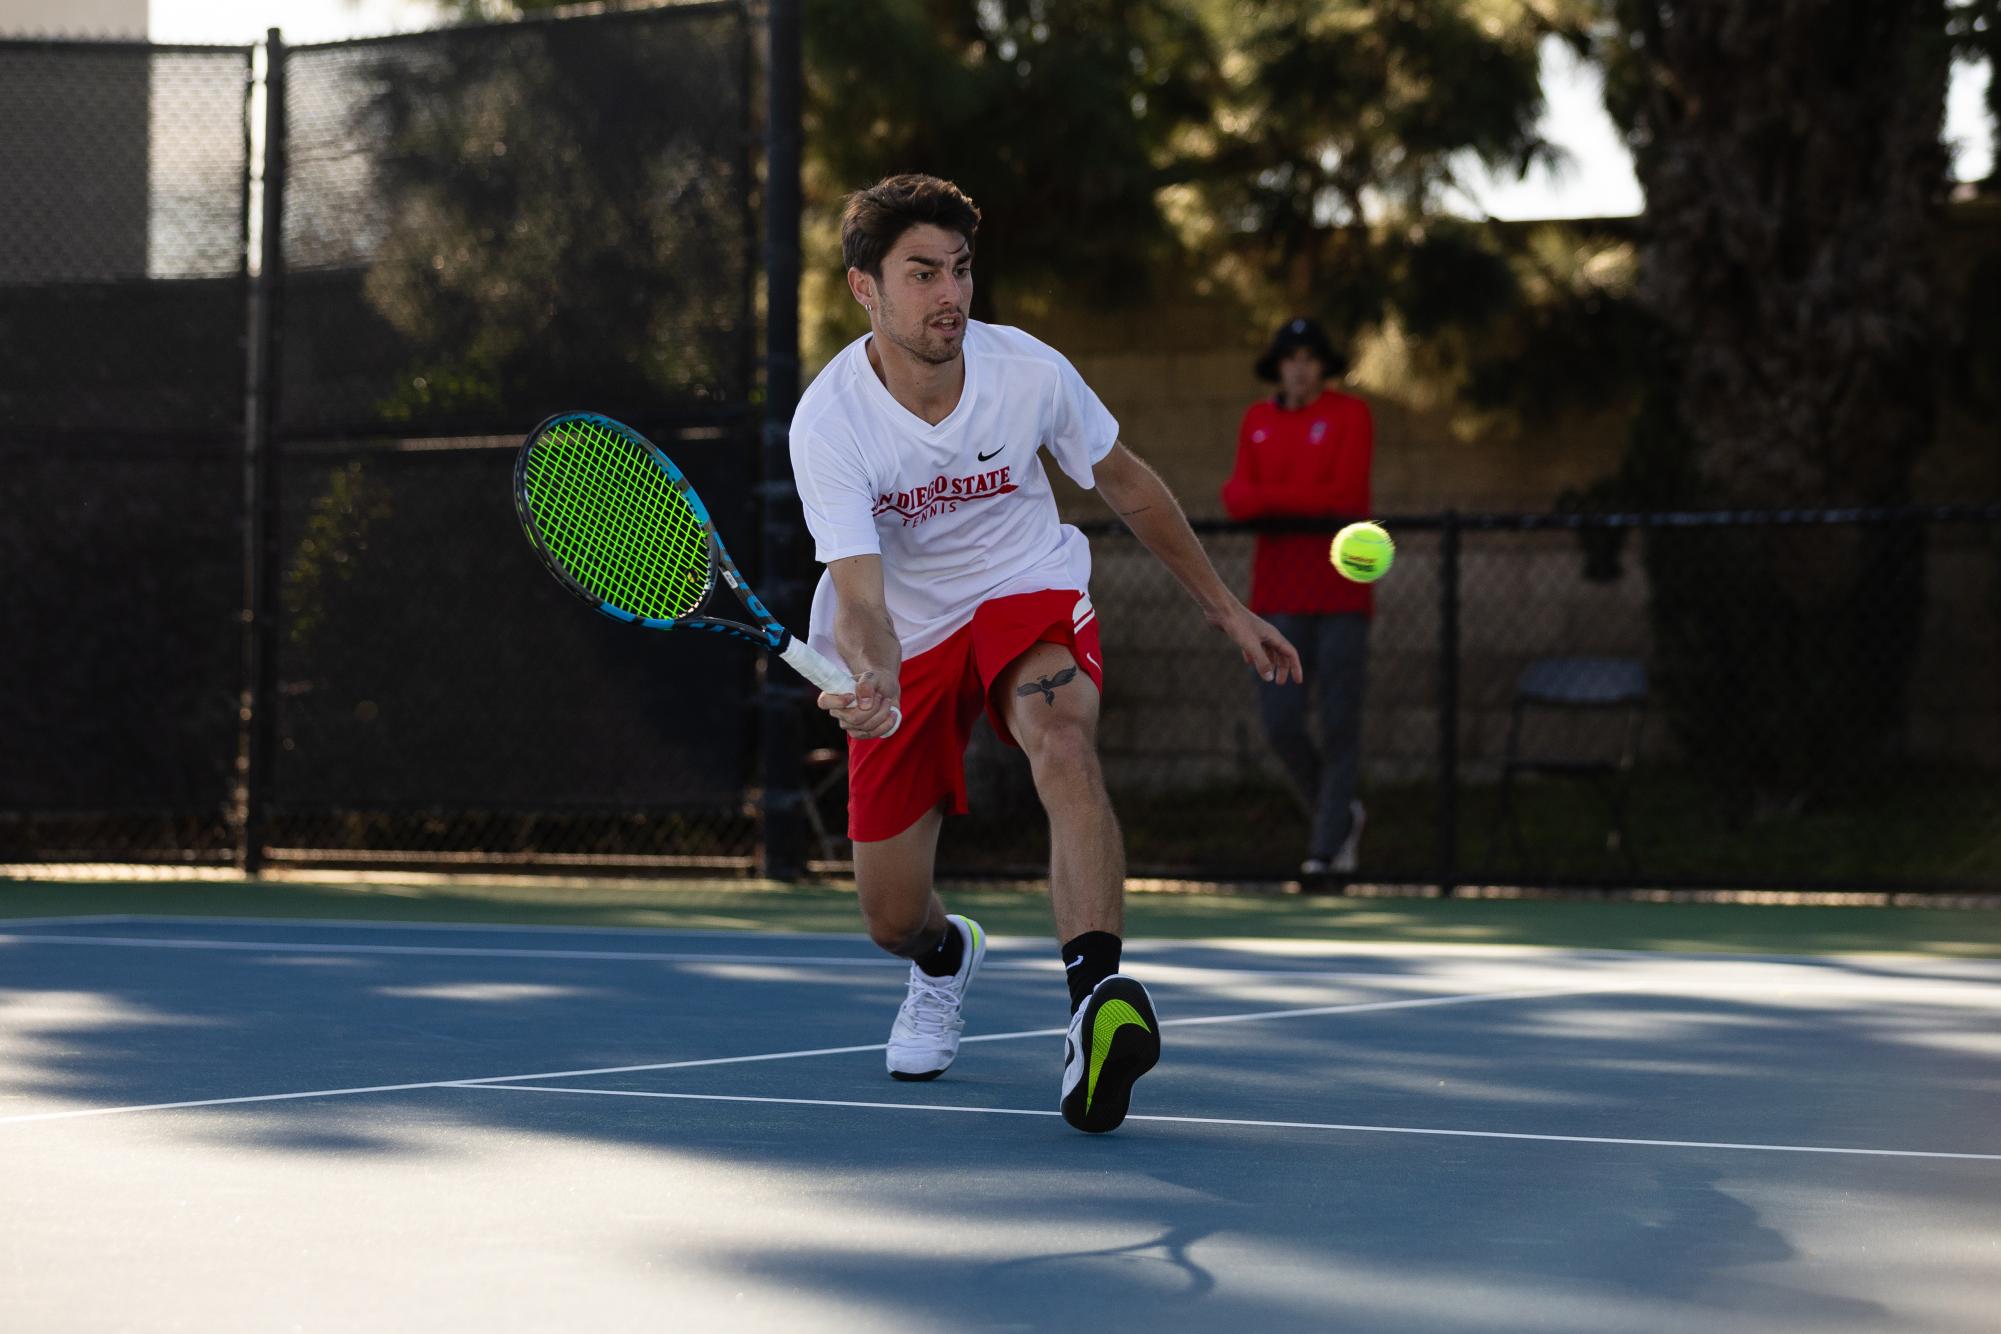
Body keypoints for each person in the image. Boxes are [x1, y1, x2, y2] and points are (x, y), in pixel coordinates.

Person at [788, 174, 1301, 1134]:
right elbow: (858, 594)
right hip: (905, 627)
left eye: (961, 270)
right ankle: (944, 960)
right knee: (891, 918)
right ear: (865, 288)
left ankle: (1093, 1007)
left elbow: (1127, 483)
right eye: (922, 274)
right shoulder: (829, 423)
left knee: (1063, 744)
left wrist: (1226, 609)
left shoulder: (1026, 370)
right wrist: (876, 674)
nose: (951, 294)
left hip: (1026, 586)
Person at [1220, 317, 1375, 879]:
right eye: (1291, 357)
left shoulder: (1351, 415)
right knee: (1282, 722)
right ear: (1279, 365)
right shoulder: (1256, 420)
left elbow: (1345, 496)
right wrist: (1287, 503)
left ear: (1322, 365)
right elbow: (1236, 497)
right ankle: (1340, 816)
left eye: (1310, 356)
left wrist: (1271, 502)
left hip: (1340, 595)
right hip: (1276, 596)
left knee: (1339, 723)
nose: (1301, 367)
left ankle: (1327, 847)